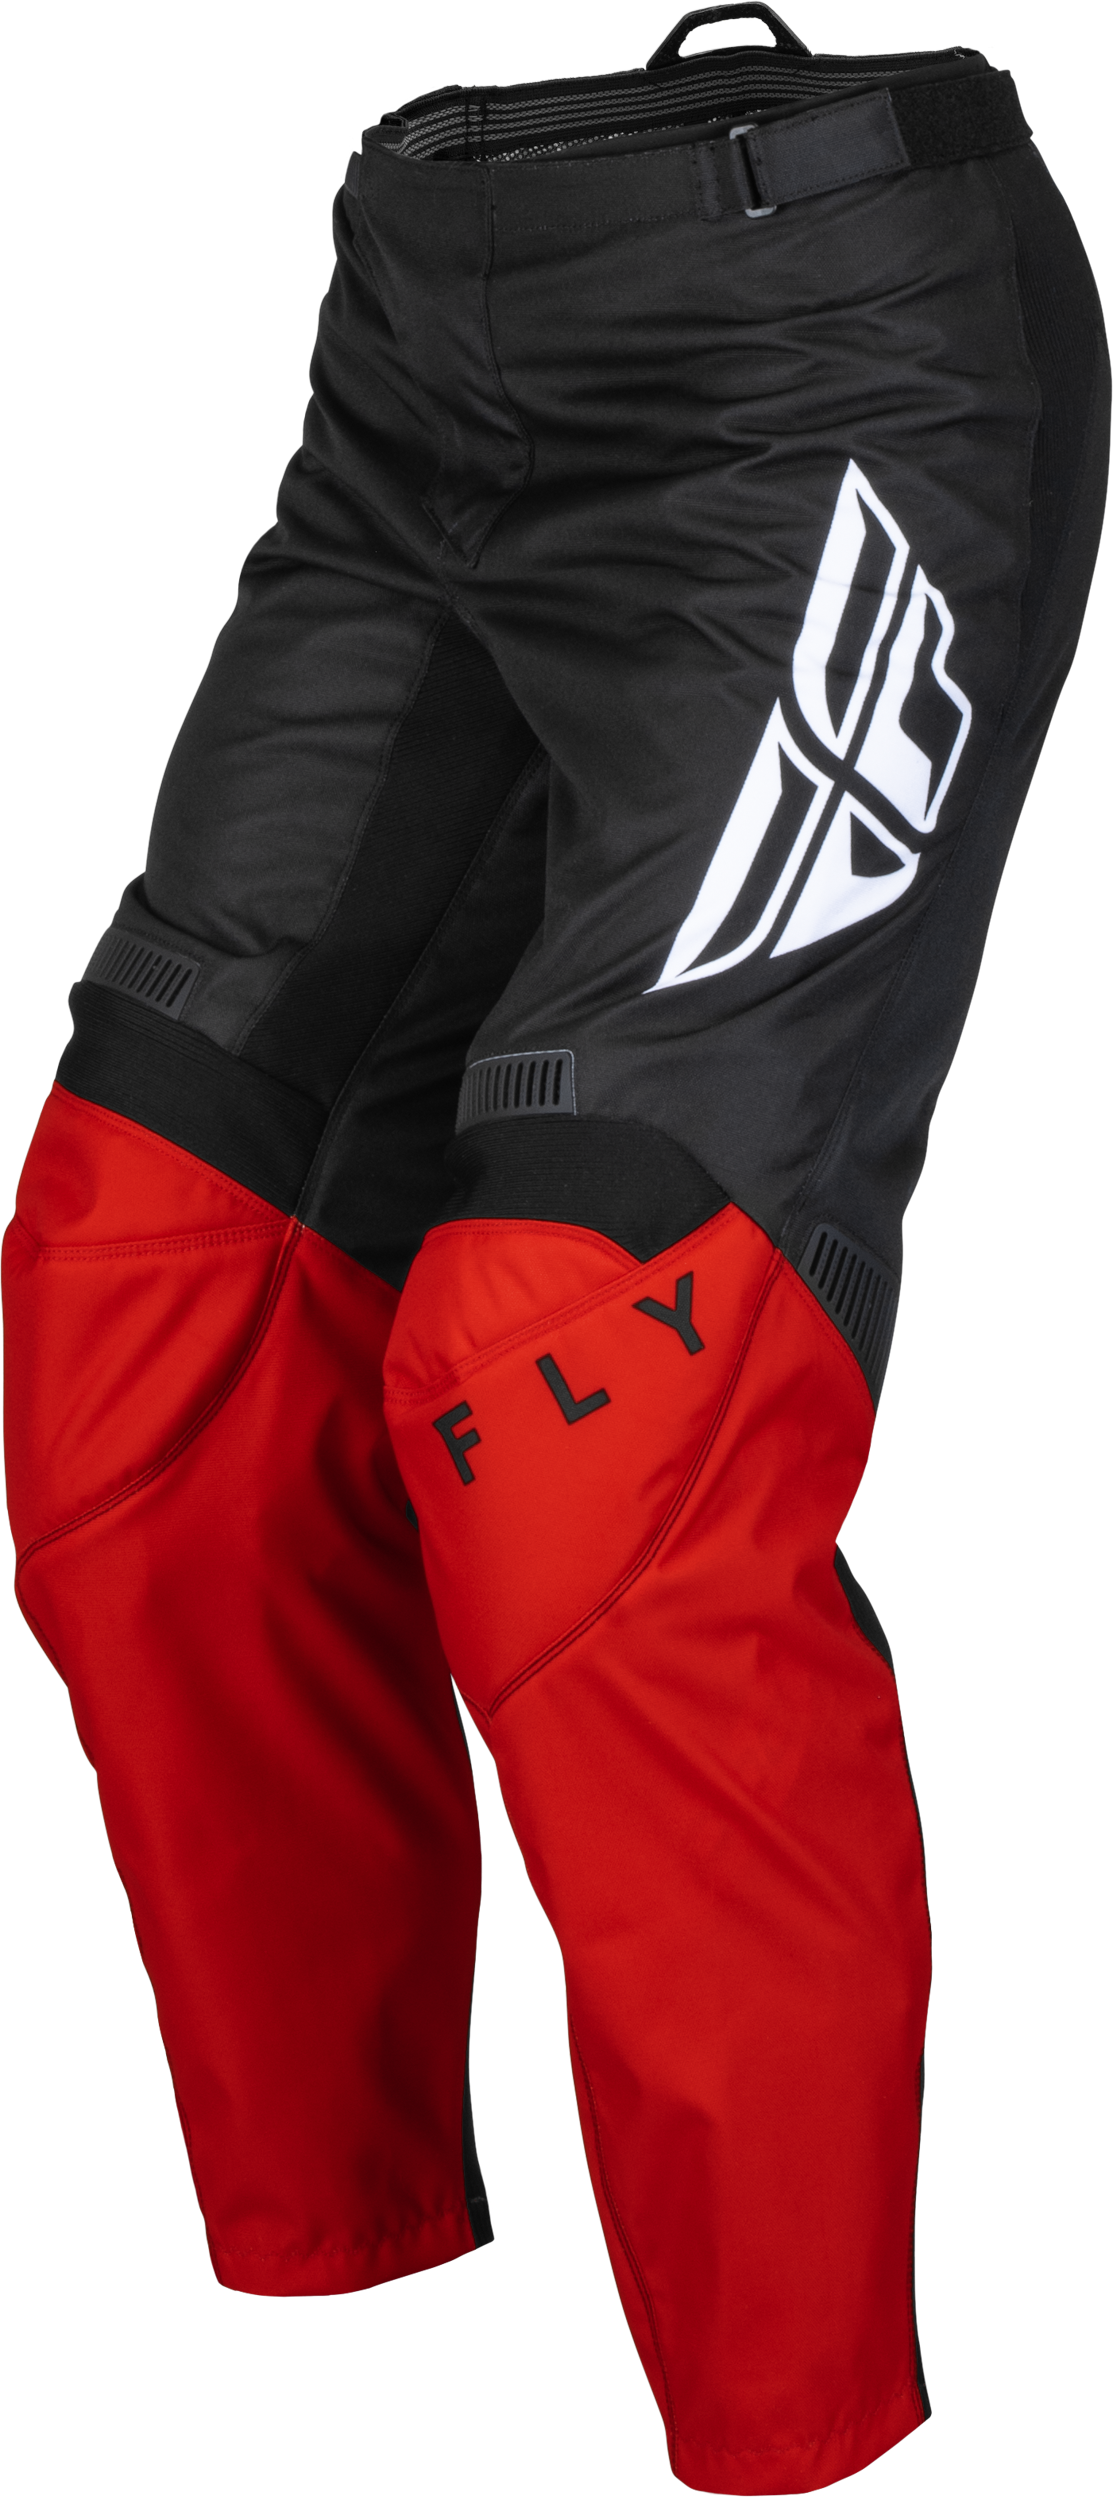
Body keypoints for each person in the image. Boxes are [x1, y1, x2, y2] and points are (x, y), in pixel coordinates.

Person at [4, 13, 1107, 2494]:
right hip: (432, 331)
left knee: (599, 1410)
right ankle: (341, 2394)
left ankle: (808, 2447)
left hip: (829, 330)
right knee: (153, 1348)